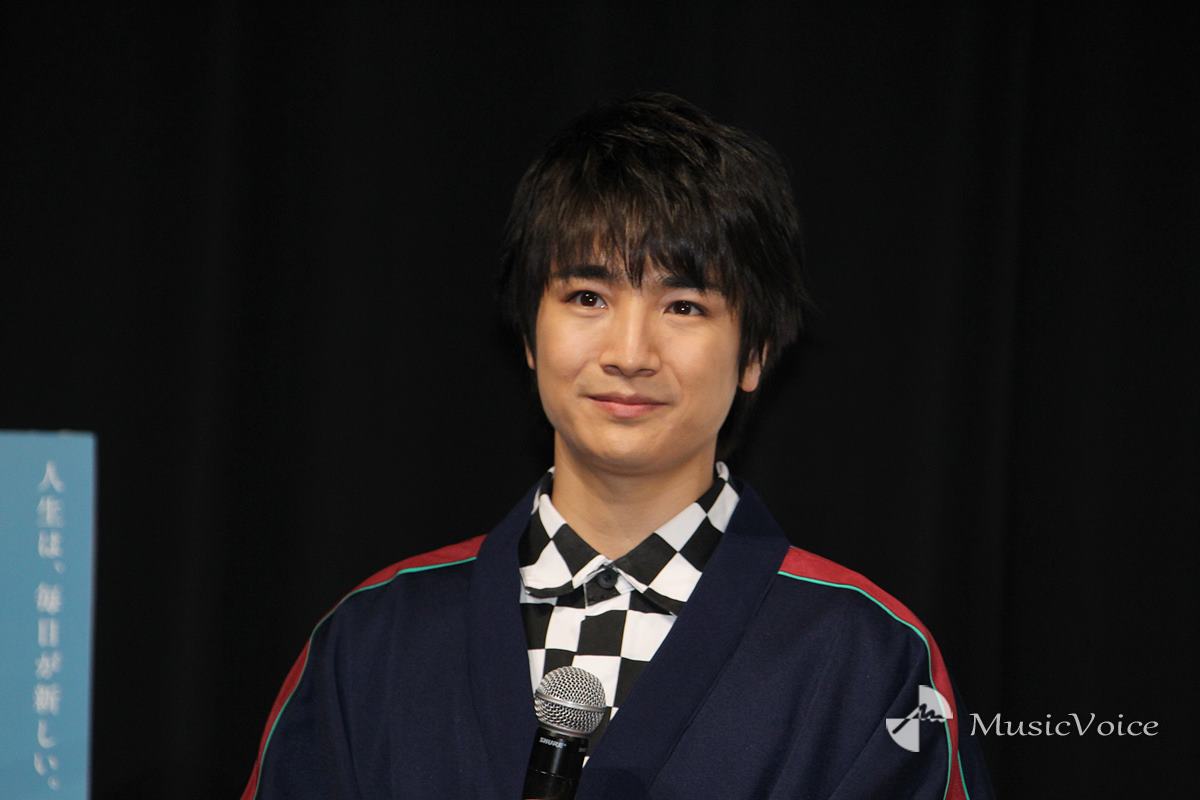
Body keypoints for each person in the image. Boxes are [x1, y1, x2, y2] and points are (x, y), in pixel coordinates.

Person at [241, 92, 993, 799]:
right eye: (588, 297)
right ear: (529, 334)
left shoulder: (866, 658)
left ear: (756, 352)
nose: (629, 354)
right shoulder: (374, 639)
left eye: (684, 305)